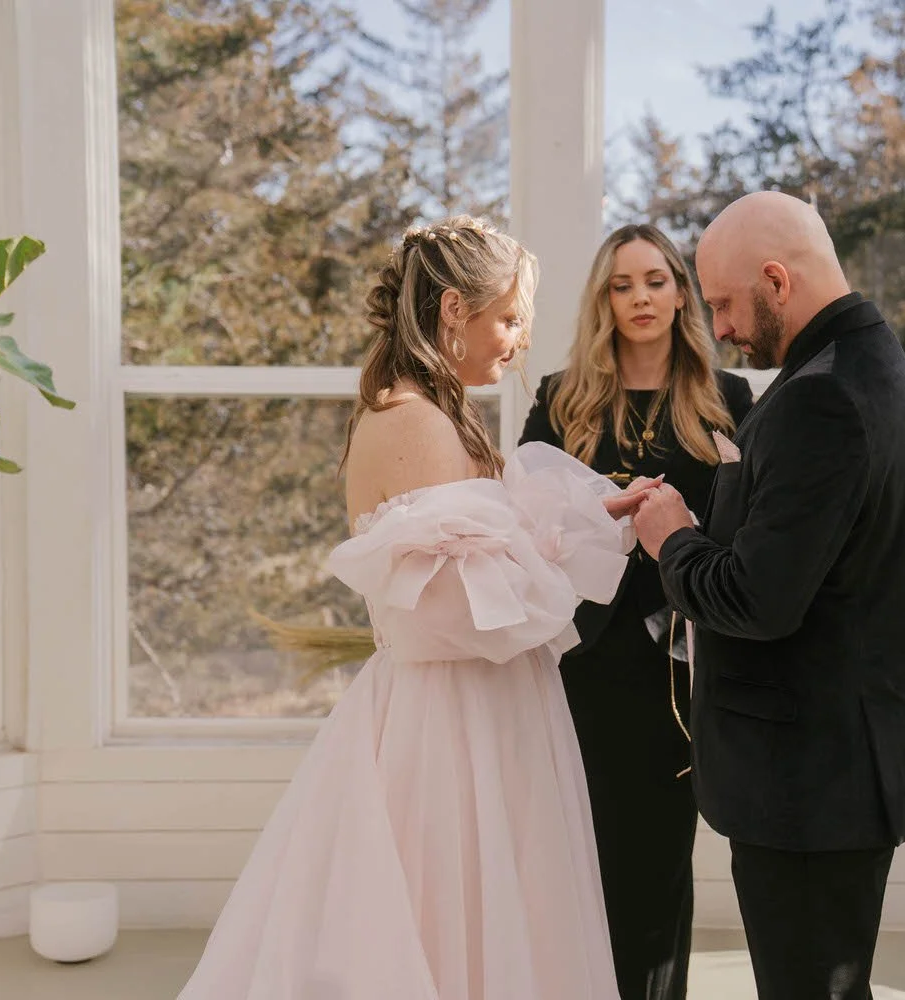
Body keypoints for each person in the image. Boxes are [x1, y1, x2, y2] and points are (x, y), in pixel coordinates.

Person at [178, 216, 661, 1000]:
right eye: (507, 317)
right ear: (451, 313)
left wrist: (592, 519)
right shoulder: (414, 422)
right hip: (454, 723)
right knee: (452, 921)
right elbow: (458, 614)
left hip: (481, 708)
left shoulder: (431, 412)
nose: (519, 337)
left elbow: (493, 561)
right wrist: (556, 559)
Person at [631, 191, 905, 1000]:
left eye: (726, 303)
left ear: (777, 280)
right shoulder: (869, 362)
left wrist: (673, 535)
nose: (721, 327)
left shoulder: (820, 397)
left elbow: (758, 600)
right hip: (839, 760)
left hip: (812, 780)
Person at [519, 223, 753, 1000]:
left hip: (679, 675)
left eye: (655, 280)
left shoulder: (728, 399)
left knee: (655, 870)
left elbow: (750, 531)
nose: (640, 298)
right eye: (622, 285)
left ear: (680, 292)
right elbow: (519, 516)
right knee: (576, 861)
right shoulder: (562, 398)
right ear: (603, 300)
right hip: (580, 667)